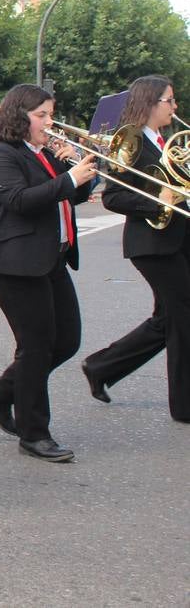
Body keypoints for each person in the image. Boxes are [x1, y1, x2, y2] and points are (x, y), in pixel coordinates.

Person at [0, 84, 97, 462]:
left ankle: (1, 393)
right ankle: (34, 433)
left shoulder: (44, 154)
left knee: (67, 341)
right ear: (18, 116)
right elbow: (19, 201)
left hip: (51, 259)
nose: (49, 122)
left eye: (50, 114)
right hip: (14, 266)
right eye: (41, 115)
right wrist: (67, 178)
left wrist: (79, 170)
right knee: (36, 348)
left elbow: (72, 196)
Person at [83, 75, 189, 422]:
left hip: (178, 239)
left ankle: (100, 368)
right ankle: (184, 405)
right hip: (153, 243)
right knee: (183, 317)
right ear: (150, 103)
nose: (175, 107)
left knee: (167, 319)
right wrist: (162, 201)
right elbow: (113, 196)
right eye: (169, 101)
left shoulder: (164, 141)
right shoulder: (129, 142)